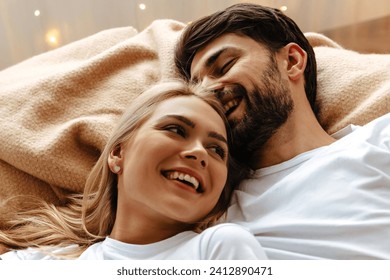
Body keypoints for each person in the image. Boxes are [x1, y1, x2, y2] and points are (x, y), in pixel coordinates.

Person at [174, 3, 390, 259]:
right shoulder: (210, 209)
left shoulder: (380, 140)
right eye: (197, 86)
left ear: (292, 61)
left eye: (225, 65)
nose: (207, 92)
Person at [0, 81, 267, 260]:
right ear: (117, 154)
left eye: (216, 150)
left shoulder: (220, 248)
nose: (199, 152)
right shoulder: (42, 261)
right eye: (175, 130)